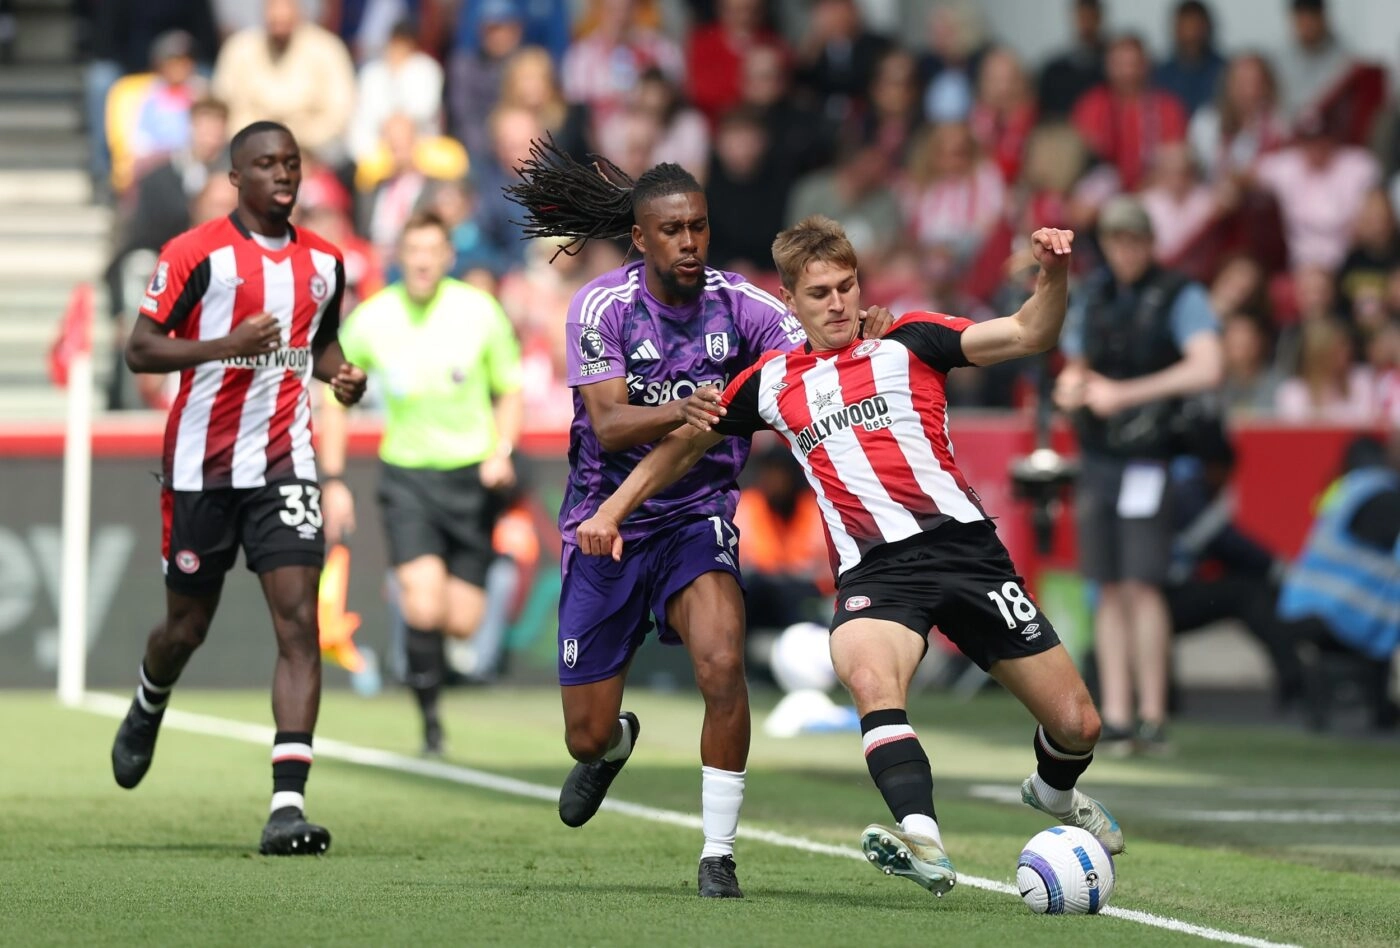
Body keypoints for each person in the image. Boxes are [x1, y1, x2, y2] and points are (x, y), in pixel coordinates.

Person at [576, 215, 1124, 899]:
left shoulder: (911, 338)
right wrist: (610, 510)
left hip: (967, 554)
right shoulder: (770, 381)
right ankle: (922, 836)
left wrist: (1055, 272)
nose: (838, 304)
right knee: (869, 677)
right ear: (791, 301)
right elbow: (682, 446)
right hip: (876, 574)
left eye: (846, 286)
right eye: (819, 294)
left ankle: (1051, 790)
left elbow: (1027, 332)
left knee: (1078, 724)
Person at [505, 139, 892, 899]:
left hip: (696, 517)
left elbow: (808, 357)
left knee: (720, 662)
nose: (690, 243)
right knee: (583, 732)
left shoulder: (743, 306)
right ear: (641, 238)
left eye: (700, 227)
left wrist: (859, 338)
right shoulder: (602, 307)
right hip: (603, 524)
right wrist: (677, 406)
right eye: (674, 231)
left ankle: (718, 851)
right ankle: (612, 749)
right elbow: (611, 424)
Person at [110, 120, 368, 856]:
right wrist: (227, 346)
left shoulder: (325, 261)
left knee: (298, 624)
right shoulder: (195, 253)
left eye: (291, 163)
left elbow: (319, 345)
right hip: (201, 468)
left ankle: (287, 805)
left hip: (286, 461)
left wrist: (341, 376)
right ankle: (149, 699)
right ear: (235, 177)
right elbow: (140, 349)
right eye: (266, 164)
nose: (282, 175)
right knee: (185, 630)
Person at [318, 210, 524, 754]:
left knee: (460, 621)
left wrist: (501, 451)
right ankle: (431, 723)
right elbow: (333, 395)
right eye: (414, 250)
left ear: (448, 256)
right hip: (407, 476)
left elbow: (509, 388)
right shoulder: (372, 319)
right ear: (399, 256)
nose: (423, 260)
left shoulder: (479, 312)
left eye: (433, 250)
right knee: (423, 604)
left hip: (471, 478)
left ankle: (445, 614)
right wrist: (334, 477)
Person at [1054, 195, 1224, 754]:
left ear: (1149, 243)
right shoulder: (1095, 295)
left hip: (1149, 455)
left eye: (1133, 240)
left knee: (1143, 584)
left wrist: (1124, 394)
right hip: (1099, 453)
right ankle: (1119, 712)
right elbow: (1076, 359)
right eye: (1115, 241)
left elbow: (1208, 366)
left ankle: (1151, 713)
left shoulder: (1180, 294)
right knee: (1106, 584)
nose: (1124, 251)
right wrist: (1073, 386)